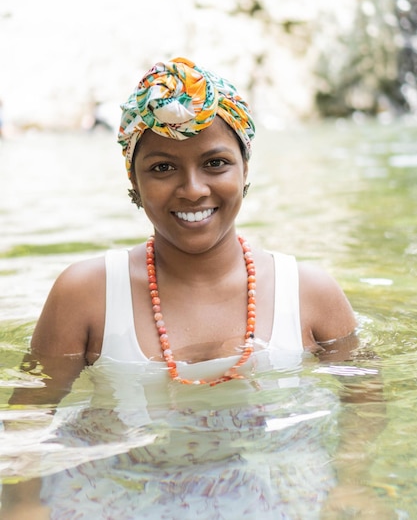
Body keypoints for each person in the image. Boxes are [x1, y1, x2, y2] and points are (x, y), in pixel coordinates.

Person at [1, 57, 390, 519]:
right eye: (163, 168)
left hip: (269, 478)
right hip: (112, 483)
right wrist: (22, 504)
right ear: (134, 180)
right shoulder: (87, 294)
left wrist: (353, 483)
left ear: (245, 169)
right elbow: (28, 414)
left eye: (216, 163)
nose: (192, 189)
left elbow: (365, 398)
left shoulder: (309, 293)